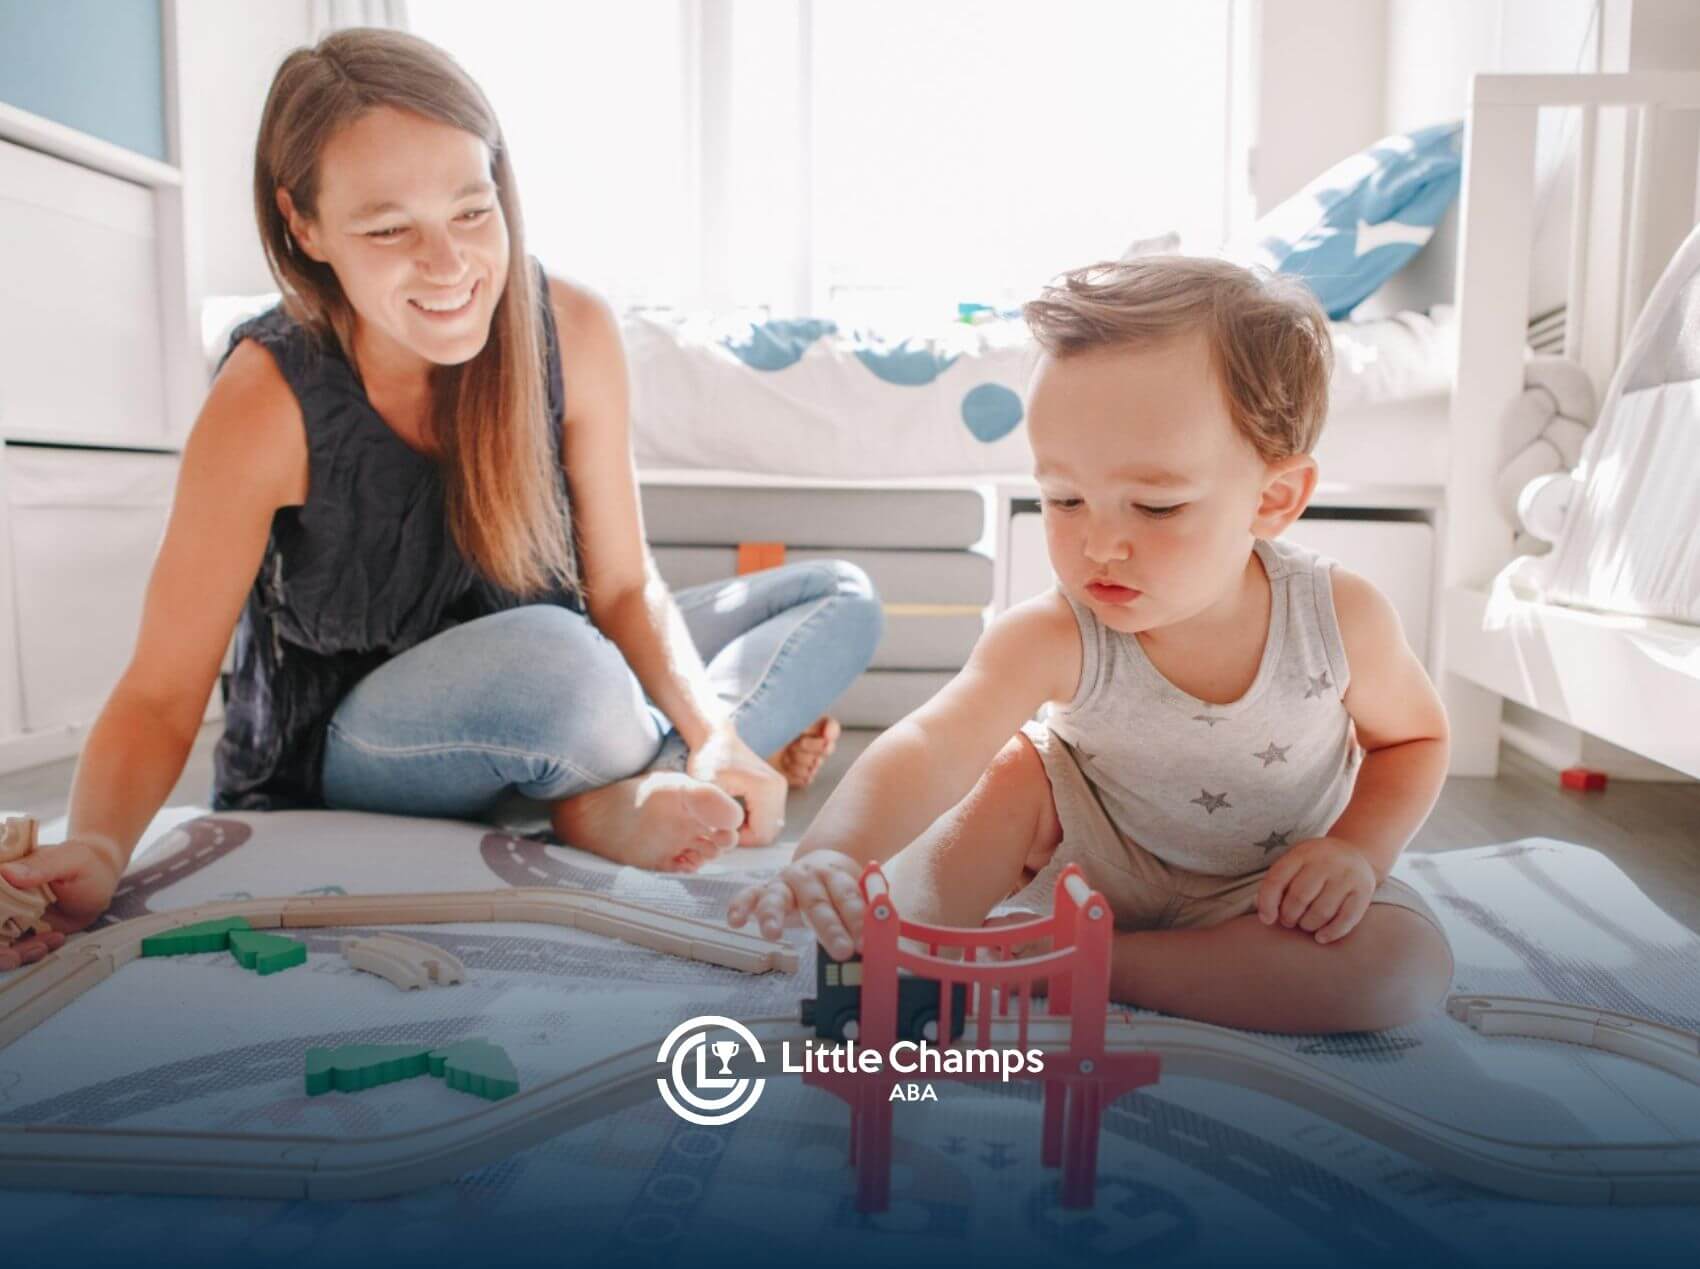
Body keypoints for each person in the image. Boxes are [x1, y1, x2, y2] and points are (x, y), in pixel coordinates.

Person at [0, 29, 881, 972]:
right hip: (362, 747)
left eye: (472, 211)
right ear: (304, 226)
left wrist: (715, 739)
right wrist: (97, 846)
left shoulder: (571, 328)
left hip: (563, 680)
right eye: (388, 230)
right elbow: (161, 692)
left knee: (837, 598)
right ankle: (600, 788)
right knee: (563, 666)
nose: (450, 264)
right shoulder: (265, 399)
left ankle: (625, 783)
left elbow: (626, 587)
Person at [728, 256, 1456, 1036]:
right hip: (1086, 865)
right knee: (1014, 771)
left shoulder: (1340, 618)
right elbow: (934, 742)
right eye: (1064, 498)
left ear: (1273, 498)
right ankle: (910, 938)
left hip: (1268, 891)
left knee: (1400, 974)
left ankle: (1088, 962)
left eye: (1155, 505)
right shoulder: (1055, 632)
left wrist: (1356, 851)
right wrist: (836, 852)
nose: (1100, 543)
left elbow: (1414, 738)